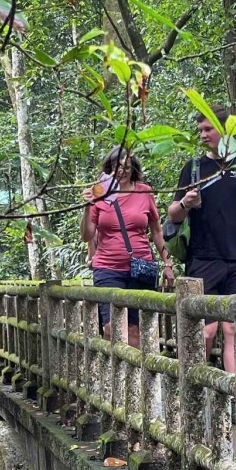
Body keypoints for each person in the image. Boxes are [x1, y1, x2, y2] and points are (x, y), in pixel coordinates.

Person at [166, 105, 236, 371]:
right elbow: (172, 216)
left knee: (234, 329)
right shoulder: (194, 168)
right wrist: (185, 203)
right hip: (204, 258)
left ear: (226, 130)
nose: (203, 135)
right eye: (200, 130)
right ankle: (195, 396)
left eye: (208, 129)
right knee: (204, 331)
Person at [82, 147, 172, 346]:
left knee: (135, 330)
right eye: (116, 167)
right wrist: (88, 207)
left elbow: (156, 231)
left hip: (140, 268)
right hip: (108, 268)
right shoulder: (99, 193)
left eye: (127, 168)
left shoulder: (144, 191)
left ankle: (136, 377)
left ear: (134, 170)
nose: (121, 172)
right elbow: (87, 235)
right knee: (111, 327)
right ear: (109, 169)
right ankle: (113, 376)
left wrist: (167, 262)